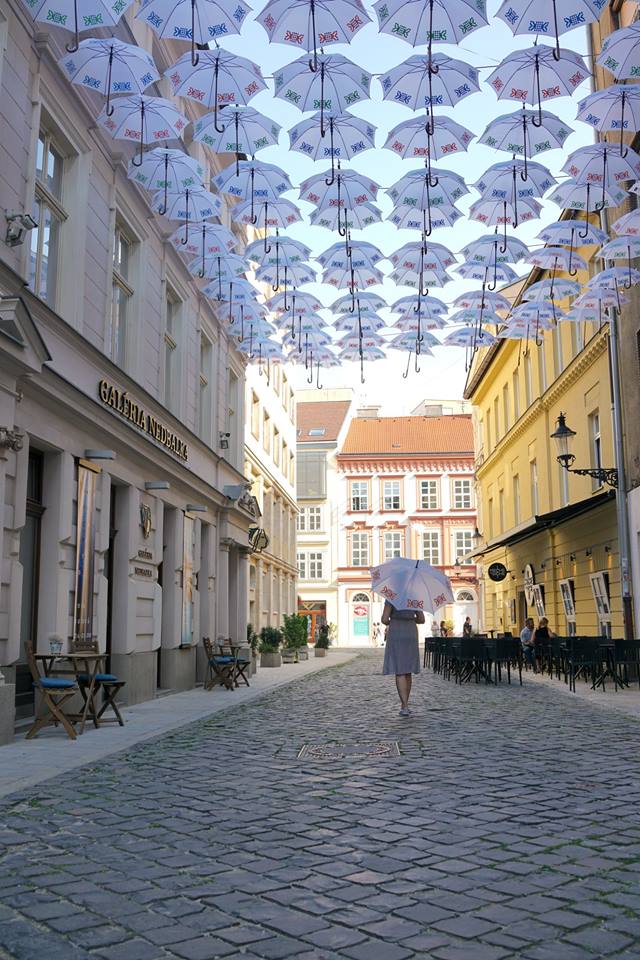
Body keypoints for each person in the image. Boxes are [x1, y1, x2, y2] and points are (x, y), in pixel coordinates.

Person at [381, 599, 425, 717]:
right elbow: (422, 619)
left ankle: (404, 705)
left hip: (396, 631)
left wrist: (394, 619)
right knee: (408, 670)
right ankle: (406, 703)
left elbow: (384, 619)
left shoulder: (392, 597)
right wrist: (410, 619)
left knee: (399, 670)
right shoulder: (414, 597)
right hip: (410, 631)